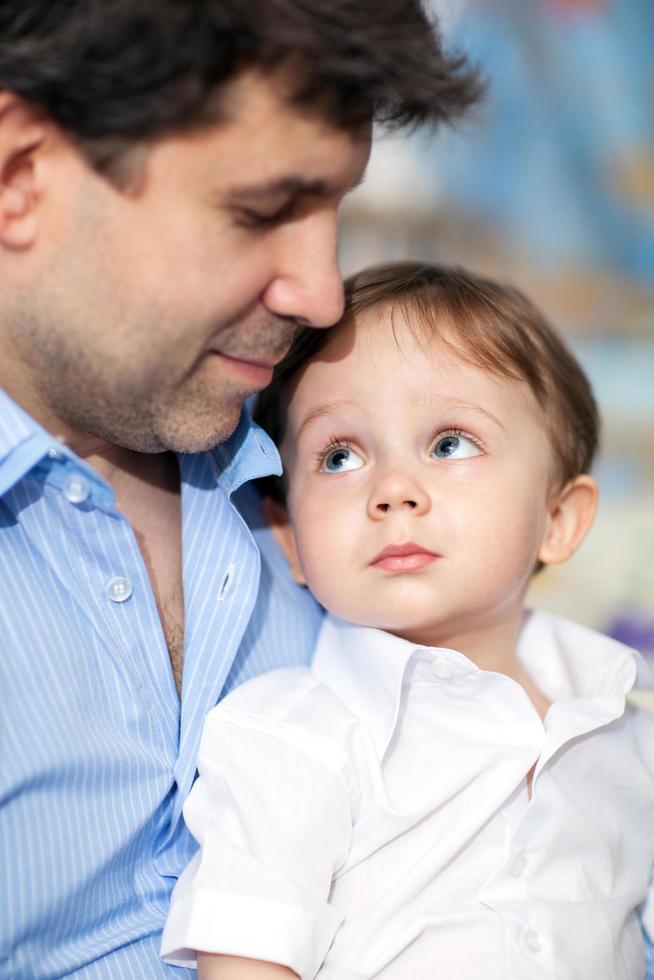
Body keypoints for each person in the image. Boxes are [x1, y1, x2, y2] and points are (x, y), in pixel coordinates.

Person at [0, 3, 484, 976]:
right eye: (264, 212)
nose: (322, 292)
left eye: (336, 209)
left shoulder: (328, 444)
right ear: (20, 176)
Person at [161, 262, 654, 980]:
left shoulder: (622, 726)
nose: (393, 489)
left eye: (450, 443)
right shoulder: (296, 734)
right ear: (291, 537)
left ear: (557, 519)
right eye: (340, 456)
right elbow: (249, 959)